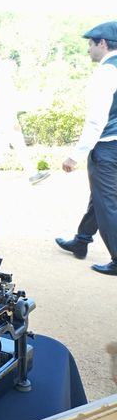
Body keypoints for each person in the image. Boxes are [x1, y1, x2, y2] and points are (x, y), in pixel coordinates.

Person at [57, 21, 117, 275]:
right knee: (100, 198)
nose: (88, 50)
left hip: (107, 147)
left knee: (107, 203)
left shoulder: (106, 72)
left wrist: (75, 155)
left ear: (102, 43)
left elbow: (96, 120)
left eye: (90, 45)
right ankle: (81, 241)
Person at [0, 60, 50, 185]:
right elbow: (7, 104)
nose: (14, 71)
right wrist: (14, 121)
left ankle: (32, 174)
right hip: (4, 122)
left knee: (10, 148)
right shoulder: (4, 82)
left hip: (0, 122)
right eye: (13, 68)